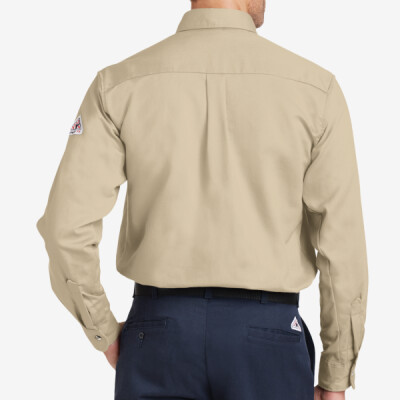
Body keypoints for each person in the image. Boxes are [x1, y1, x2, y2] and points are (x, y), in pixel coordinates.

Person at [36, 1, 368, 399]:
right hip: (268, 340)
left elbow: (65, 229)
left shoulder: (119, 84)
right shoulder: (315, 90)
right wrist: (336, 374)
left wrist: (102, 330)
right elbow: (342, 248)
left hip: (158, 335)